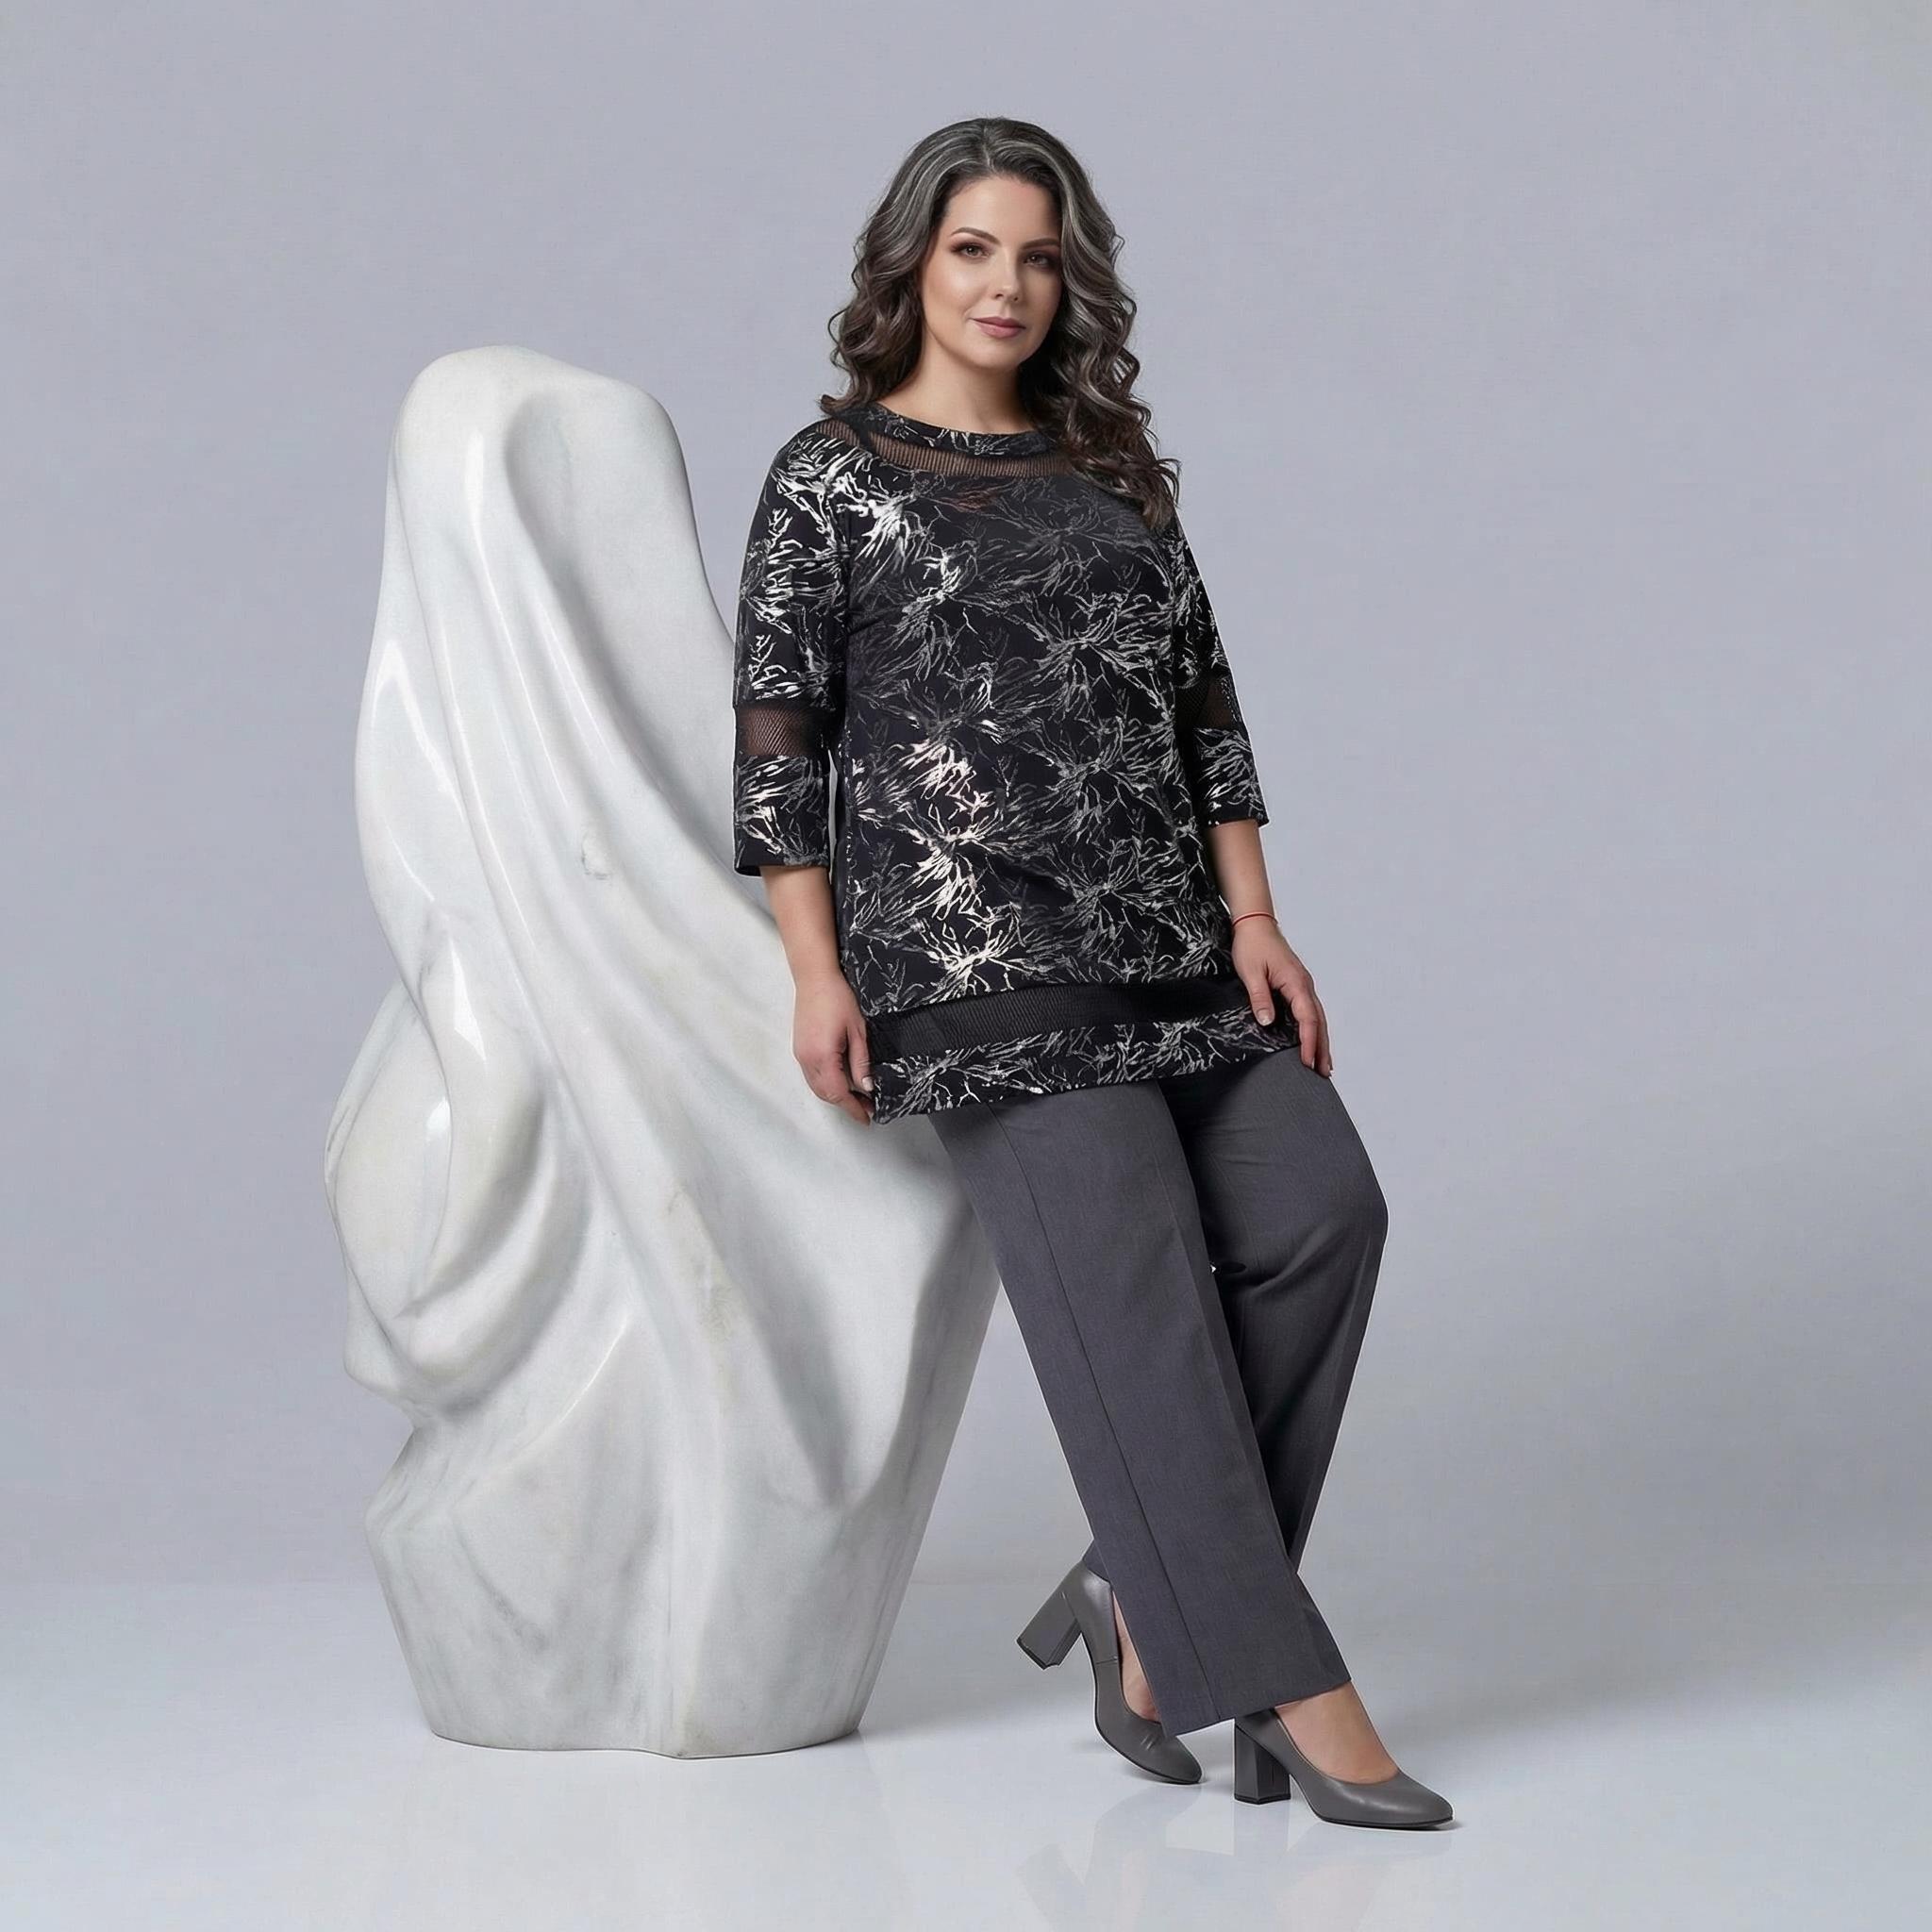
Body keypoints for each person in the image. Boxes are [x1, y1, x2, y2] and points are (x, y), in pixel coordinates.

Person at [729, 116, 1452, 1829]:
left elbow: (1206, 708)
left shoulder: (1112, 474)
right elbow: (779, 746)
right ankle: (1291, 1683)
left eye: (1040, 258)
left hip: (1170, 940)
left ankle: (1146, 1593)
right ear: (912, 262)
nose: (1008, 286)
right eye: (974, 249)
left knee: (1322, 1215)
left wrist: (1255, 917)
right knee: (1135, 1285)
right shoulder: (830, 476)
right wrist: (816, 969)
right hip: (974, 951)